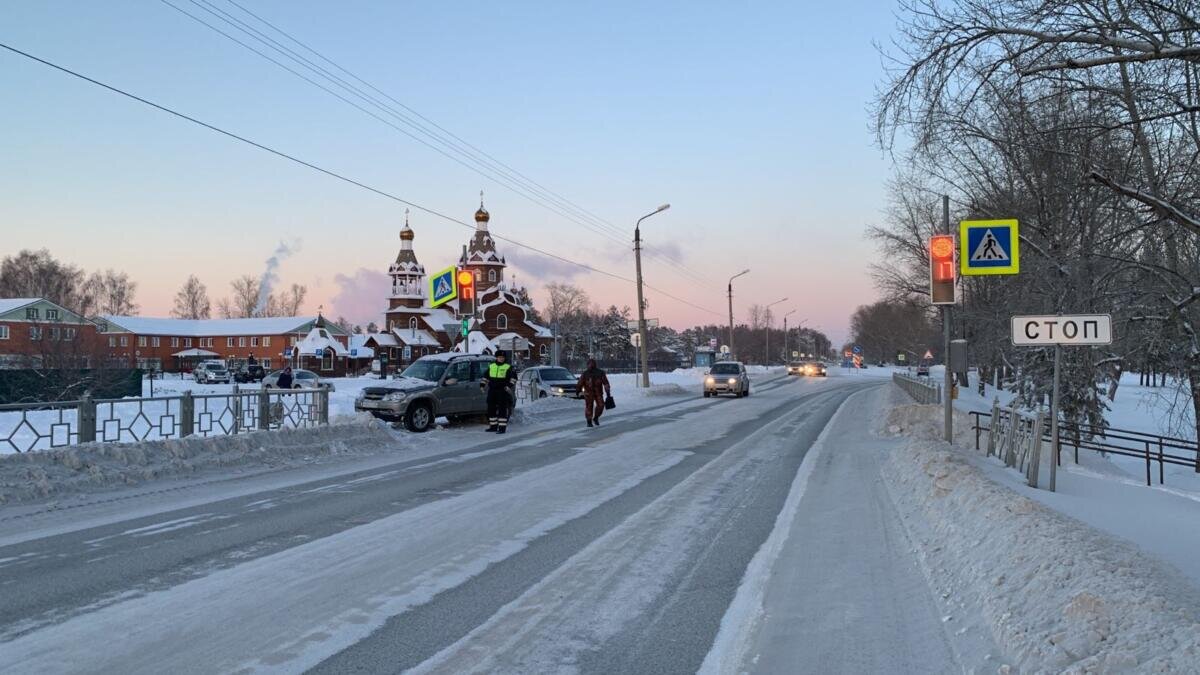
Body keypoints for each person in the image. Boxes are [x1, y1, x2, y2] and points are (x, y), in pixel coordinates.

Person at [483, 352, 517, 433]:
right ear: (496, 358)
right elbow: (485, 377)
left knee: (502, 409)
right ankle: (493, 426)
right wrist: (482, 384)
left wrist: (509, 386)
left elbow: (514, 378)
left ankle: (502, 428)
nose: (501, 358)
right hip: (492, 390)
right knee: (491, 408)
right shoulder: (491, 366)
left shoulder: (508, 367)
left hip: (502, 391)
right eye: (499, 357)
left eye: (502, 357)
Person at [577, 359, 611, 428]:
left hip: (598, 393)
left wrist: (608, 392)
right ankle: (589, 421)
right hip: (588, 393)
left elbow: (605, 383)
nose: (591, 365)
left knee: (601, 405)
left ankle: (596, 417)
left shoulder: (600, 373)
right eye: (589, 364)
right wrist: (578, 390)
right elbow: (580, 383)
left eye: (592, 364)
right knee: (589, 407)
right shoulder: (585, 374)